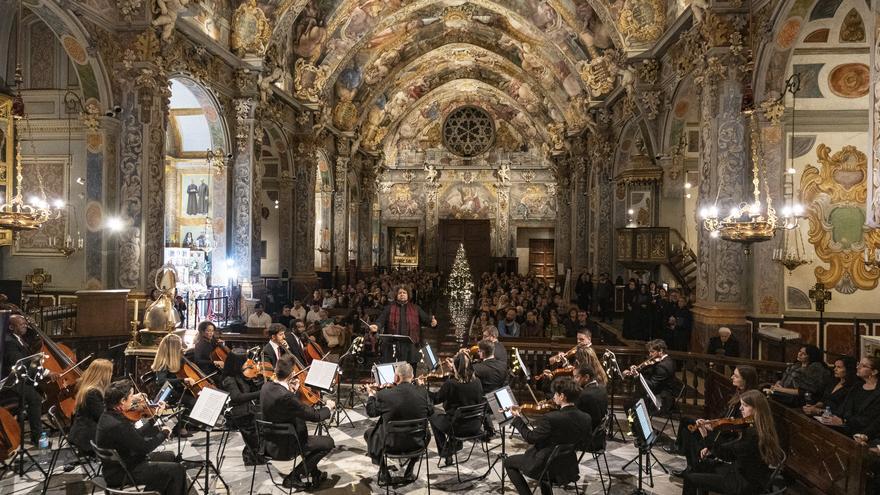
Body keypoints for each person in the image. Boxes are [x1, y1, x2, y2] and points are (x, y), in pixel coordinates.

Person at [682, 390, 784, 495]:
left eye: (745, 405)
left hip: (744, 483)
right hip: (744, 473)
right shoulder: (758, 426)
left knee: (689, 478)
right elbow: (734, 446)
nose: (740, 408)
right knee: (702, 465)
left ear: (756, 409)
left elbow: (727, 455)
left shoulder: (753, 434)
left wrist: (706, 435)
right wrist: (712, 447)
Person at [95, 380, 186, 495]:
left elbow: (136, 434)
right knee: (178, 470)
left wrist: (156, 416)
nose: (133, 398)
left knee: (170, 456)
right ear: (122, 401)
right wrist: (164, 433)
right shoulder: (118, 424)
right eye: (131, 396)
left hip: (121, 465)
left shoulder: (108, 415)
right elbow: (144, 448)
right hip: (123, 472)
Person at [504, 379, 592, 495]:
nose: (553, 396)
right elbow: (583, 441)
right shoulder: (586, 417)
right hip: (568, 466)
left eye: (555, 394)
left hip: (546, 466)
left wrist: (517, 419)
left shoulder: (551, 418)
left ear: (562, 396)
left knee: (508, 462)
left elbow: (531, 437)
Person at [260, 354, 335, 489]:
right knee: (328, 443)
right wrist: (328, 407)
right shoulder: (287, 397)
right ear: (292, 374)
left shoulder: (266, 387)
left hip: (268, 441)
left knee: (310, 439)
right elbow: (315, 416)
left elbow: (282, 407)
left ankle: (315, 473)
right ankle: (293, 477)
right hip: (287, 444)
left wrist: (292, 390)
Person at [673, 365, 759, 476]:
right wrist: (710, 422)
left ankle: (694, 468)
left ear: (746, 380)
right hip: (721, 431)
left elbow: (737, 426)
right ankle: (690, 464)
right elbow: (725, 416)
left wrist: (713, 428)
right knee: (687, 423)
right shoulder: (738, 393)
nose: (732, 377)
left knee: (691, 434)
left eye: (736, 376)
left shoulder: (750, 400)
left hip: (726, 438)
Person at [364, 362, 434, 484]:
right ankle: (409, 470)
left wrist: (371, 395)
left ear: (396, 378)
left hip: (391, 445)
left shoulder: (385, 395)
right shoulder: (422, 392)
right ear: (412, 377)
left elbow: (371, 412)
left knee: (369, 433)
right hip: (416, 443)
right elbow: (431, 410)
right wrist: (421, 387)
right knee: (427, 433)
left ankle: (384, 472)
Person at [423, 351, 484, 466]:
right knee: (451, 415)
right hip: (475, 425)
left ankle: (446, 451)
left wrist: (422, 388)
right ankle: (453, 445)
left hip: (457, 427)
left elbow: (436, 399)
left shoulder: (451, 384)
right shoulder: (477, 382)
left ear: (455, 366)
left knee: (432, 414)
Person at [370, 286, 437, 368]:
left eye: (404, 293)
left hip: (411, 347)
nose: (402, 294)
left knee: (411, 373)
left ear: (408, 295)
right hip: (393, 347)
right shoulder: (389, 308)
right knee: (394, 374)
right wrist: (376, 326)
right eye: (400, 293)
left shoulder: (416, 308)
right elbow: (380, 321)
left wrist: (432, 323)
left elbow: (427, 320)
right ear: (396, 295)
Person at [2, 313, 43, 444]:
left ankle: (32, 428)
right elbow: (18, 362)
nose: (25, 325)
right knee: (35, 398)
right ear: (11, 327)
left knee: (38, 390)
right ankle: (37, 438)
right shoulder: (9, 342)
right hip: (12, 381)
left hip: (20, 378)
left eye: (24, 323)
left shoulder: (19, 339)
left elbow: (32, 336)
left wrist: (31, 324)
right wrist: (46, 372)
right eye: (21, 324)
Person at [817, 356, 880, 438]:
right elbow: (844, 406)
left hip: (864, 434)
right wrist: (832, 417)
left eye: (863, 366)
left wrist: (844, 421)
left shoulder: (877, 391)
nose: (858, 367)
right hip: (846, 427)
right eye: (858, 364)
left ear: (874, 371)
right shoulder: (857, 385)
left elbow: (869, 418)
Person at [221, 349, 263, 465]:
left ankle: (255, 451)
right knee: (255, 421)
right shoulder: (229, 379)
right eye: (245, 361)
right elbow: (237, 398)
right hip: (236, 413)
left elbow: (251, 390)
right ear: (237, 364)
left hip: (246, 408)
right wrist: (260, 393)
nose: (248, 363)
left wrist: (259, 382)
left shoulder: (243, 374)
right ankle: (253, 454)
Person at [151, 334, 195, 436]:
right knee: (193, 401)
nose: (181, 347)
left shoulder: (177, 357)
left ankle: (188, 422)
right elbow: (162, 381)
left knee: (195, 396)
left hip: (176, 389)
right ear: (173, 348)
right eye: (179, 345)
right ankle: (180, 427)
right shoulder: (164, 361)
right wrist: (182, 380)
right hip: (167, 392)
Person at [68, 358, 114, 454]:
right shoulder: (91, 393)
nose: (111, 375)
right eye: (110, 372)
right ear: (103, 374)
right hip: (87, 437)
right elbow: (103, 417)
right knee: (121, 436)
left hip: (86, 431)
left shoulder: (89, 388)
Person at [624, 339, 677, 413]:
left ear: (661, 351)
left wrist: (637, 375)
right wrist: (637, 369)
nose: (650, 354)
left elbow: (651, 386)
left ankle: (639, 424)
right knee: (634, 398)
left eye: (652, 352)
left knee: (629, 404)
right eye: (649, 352)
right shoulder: (668, 360)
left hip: (662, 400)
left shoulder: (663, 366)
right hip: (660, 394)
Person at [766, 345, 831, 406]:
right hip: (786, 393)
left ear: (811, 356)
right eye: (800, 351)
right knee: (765, 388)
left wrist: (779, 389)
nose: (799, 354)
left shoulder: (815, 369)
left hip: (802, 399)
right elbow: (786, 381)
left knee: (770, 394)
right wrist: (779, 384)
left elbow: (802, 392)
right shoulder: (796, 366)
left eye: (804, 354)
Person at [573, 364, 608, 432]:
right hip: (599, 433)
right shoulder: (602, 388)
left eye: (576, 377)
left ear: (586, 377)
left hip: (588, 433)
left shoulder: (584, 395)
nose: (574, 380)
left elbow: (576, 418)